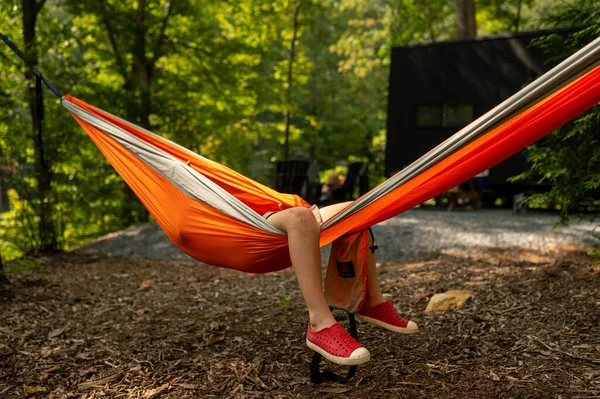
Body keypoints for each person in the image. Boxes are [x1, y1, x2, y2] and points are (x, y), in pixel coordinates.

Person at [262, 202, 418, 366]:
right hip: (249, 218)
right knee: (300, 218)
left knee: (356, 210)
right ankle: (319, 322)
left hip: (279, 203)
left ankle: (370, 299)